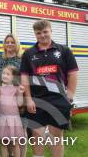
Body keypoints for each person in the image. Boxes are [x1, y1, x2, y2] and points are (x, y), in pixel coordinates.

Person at [20, 20, 78, 157]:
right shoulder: (28, 54)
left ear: (51, 31)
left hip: (58, 99)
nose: (42, 35)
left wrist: (69, 95)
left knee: (56, 136)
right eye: (38, 33)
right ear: (35, 34)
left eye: (45, 32)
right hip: (37, 100)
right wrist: (28, 99)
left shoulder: (64, 50)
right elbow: (24, 78)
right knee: (36, 135)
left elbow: (73, 74)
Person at [0, 34, 27, 157]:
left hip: (19, 97)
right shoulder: (0, 58)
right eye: (7, 42)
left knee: (21, 132)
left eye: (12, 42)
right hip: (4, 99)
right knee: (7, 133)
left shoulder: (22, 59)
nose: (9, 44)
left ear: (16, 44)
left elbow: (26, 77)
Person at [0, 65, 25, 157]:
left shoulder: (16, 88)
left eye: (8, 74)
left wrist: (21, 93)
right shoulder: (0, 88)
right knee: (3, 143)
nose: (5, 76)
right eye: (4, 73)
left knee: (15, 144)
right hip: (3, 119)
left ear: (13, 77)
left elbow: (19, 103)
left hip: (14, 119)